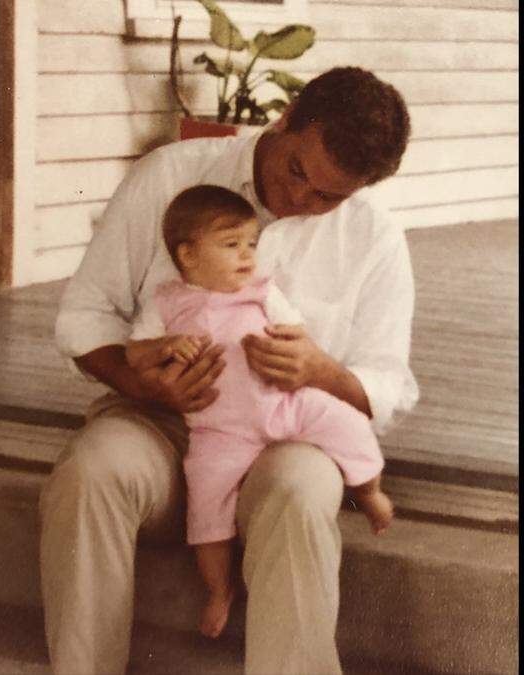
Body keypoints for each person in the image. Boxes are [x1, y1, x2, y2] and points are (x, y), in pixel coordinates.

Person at [44, 66, 417, 674]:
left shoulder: (373, 237)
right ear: (289, 115)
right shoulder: (170, 175)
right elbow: (86, 315)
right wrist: (137, 380)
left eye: (330, 196)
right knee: (91, 471)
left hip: (282, 434)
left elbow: (389, 381)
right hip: (159, 421)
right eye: (299, 171)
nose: (301, 199)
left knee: (301, 493)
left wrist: (322, 370)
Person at [125, 184, 393, 639]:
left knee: (346, 421)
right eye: (231, 245)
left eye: (251, 243)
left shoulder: (263, 292)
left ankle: (367, 489)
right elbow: (135, 354)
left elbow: (296, 334)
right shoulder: (166, 303)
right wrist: (165, 345)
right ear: (188, 255)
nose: (247, 255)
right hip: (217, 427)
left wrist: (281, 346)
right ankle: (219, 589)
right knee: (206, 503)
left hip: (283, 402)